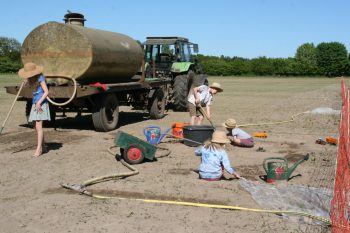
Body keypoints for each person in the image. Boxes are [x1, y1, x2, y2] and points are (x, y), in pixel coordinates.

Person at [18, 62, 50, 157]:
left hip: (40, 104)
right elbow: (31, 87)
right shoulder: (32, 78)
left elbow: (46, 92)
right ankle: (43, 146)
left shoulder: (41, 78)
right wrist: (25, 83)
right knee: (36, 127)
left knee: (39, 127)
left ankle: (39, 149)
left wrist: (39, 102)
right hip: (35, 104)